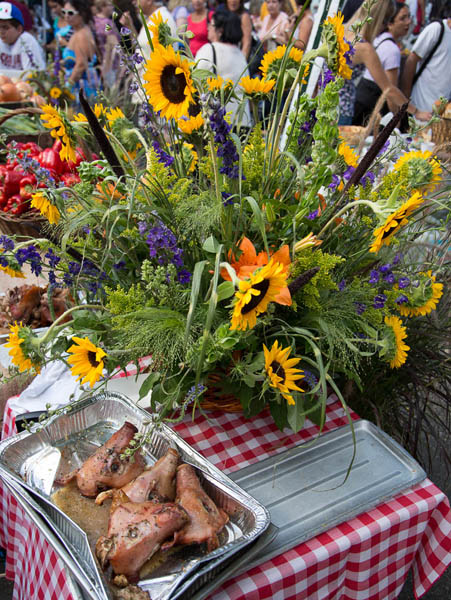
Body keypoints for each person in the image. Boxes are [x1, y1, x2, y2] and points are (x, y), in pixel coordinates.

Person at [338, 0, 431, 125]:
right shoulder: (365, 48)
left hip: (325, 104)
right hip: (343, 109)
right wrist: (416, 112)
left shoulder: (341, 31)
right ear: (382, 22)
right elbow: (389, 89)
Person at [353, 2, 411, 126]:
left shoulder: (376, 39)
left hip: (354, 101)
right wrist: (413, 113)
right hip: (360, 107)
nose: (408, 22)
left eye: (409, 17)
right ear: (388, 23)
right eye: (402, 18)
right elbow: (389, 91)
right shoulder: (390, 49)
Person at [196, 8, 251, 128]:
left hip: (219, 124)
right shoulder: (240, 54)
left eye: (211, 25)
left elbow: (195, 81)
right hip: (243, 122)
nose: (208, 28)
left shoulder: (209, 50)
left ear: (220, 31)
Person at [401, 15, 451, 113]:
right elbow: (412, 60)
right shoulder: (437, 29)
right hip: (418, 106)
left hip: (441, 113)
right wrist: (405, 98)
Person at [62, 1, 99, 99]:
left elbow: (81, 65)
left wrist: (67, 87)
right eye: (64, 12)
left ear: (82, 14)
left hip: (81, 87)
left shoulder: (81, 35)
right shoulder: (79, 32)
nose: (66, 16)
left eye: (70, 13)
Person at [0, 1, 45, 72]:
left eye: (5, 27)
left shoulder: (26, 40)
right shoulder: (1, 41)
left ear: (19, 29)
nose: (1, 32)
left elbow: (32, 73)